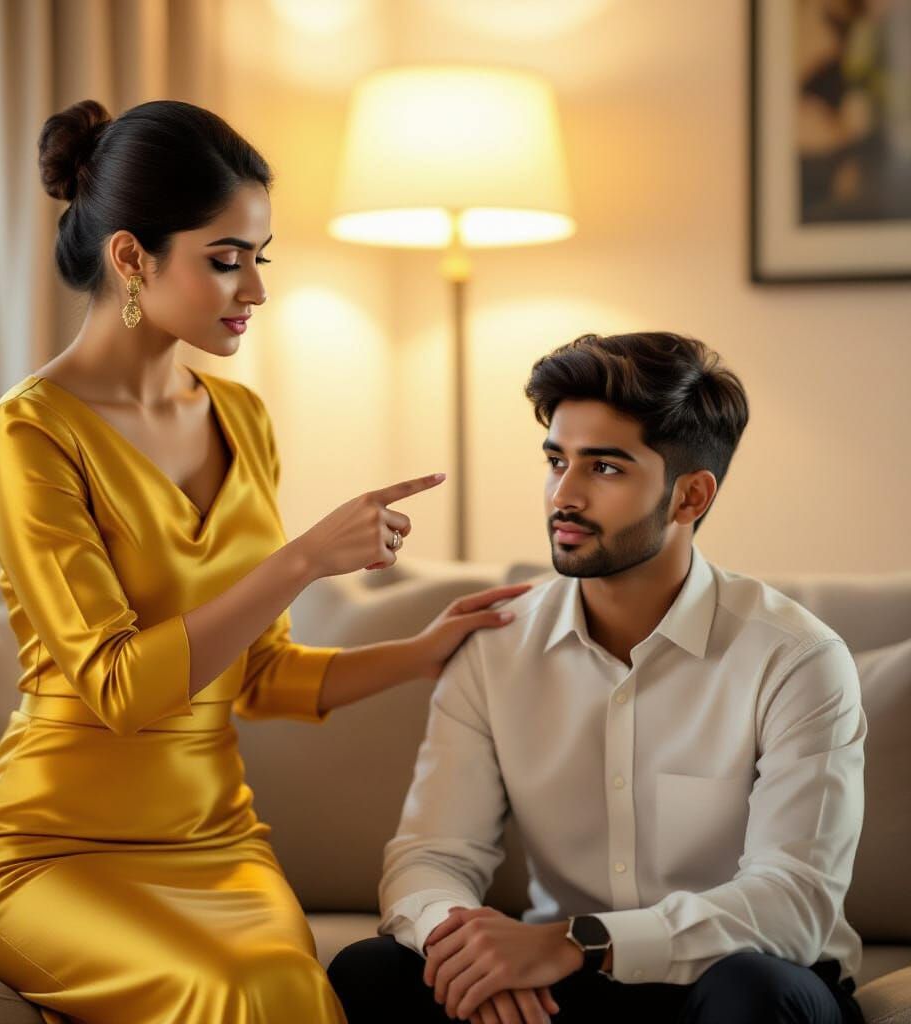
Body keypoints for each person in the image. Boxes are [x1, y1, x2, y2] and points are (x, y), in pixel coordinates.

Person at [0, 98, 529, 1024]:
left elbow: (257, 674)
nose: (255, 290)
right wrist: (299, 562)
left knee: (291, 985)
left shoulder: (243, 419)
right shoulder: (28, 435)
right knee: (233, 991)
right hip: (51, 851)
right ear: (132, 258)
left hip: (217, 845)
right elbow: (122, 687)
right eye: (226, 260)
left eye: (260, 258)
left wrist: (421, 653)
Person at [329, 332, 867, 1024]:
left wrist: (582, 943)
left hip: (731, 978)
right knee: (374, 971)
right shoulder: (495, 644)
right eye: (557, 461)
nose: (565, 495)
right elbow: (433, 855)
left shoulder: (796, 658)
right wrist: (462, 942)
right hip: (562, 989)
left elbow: (791, 903)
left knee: (754, 993)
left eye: (605, 469)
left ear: (690, 497)